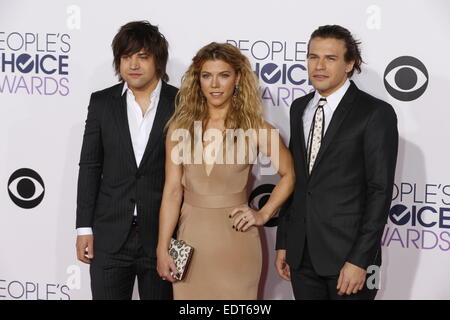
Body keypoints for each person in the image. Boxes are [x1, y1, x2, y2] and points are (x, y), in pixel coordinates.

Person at [156, 42, 295, 299]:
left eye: (224, 75)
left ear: (238, 78)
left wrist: (263, 214)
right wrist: (162, 247)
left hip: (237, 243)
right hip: (190, 240)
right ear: (198, 81)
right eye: (207, 76)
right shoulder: (179, 128)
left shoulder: (256, 128)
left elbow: (289, 175)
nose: (215, 84)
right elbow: (173, 191)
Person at [275, 25, 398, 300]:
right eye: (312, 57)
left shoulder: (375, 113)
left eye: (330, 58)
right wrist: (284, 242)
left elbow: (379, 191)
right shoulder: (299, 108)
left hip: (348, 258)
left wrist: (359, 260)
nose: (319, 66)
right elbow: (295, 180)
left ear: (349, 63)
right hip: (301, 256)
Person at [75, 21, 177, 300]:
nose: (133, 64)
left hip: (164, 238)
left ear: (158, 61)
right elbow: (90, 167)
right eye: (126, 57)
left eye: (142, 56)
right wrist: (84, 227)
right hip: (109, 236)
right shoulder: (101, 102)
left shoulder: (182, 102)